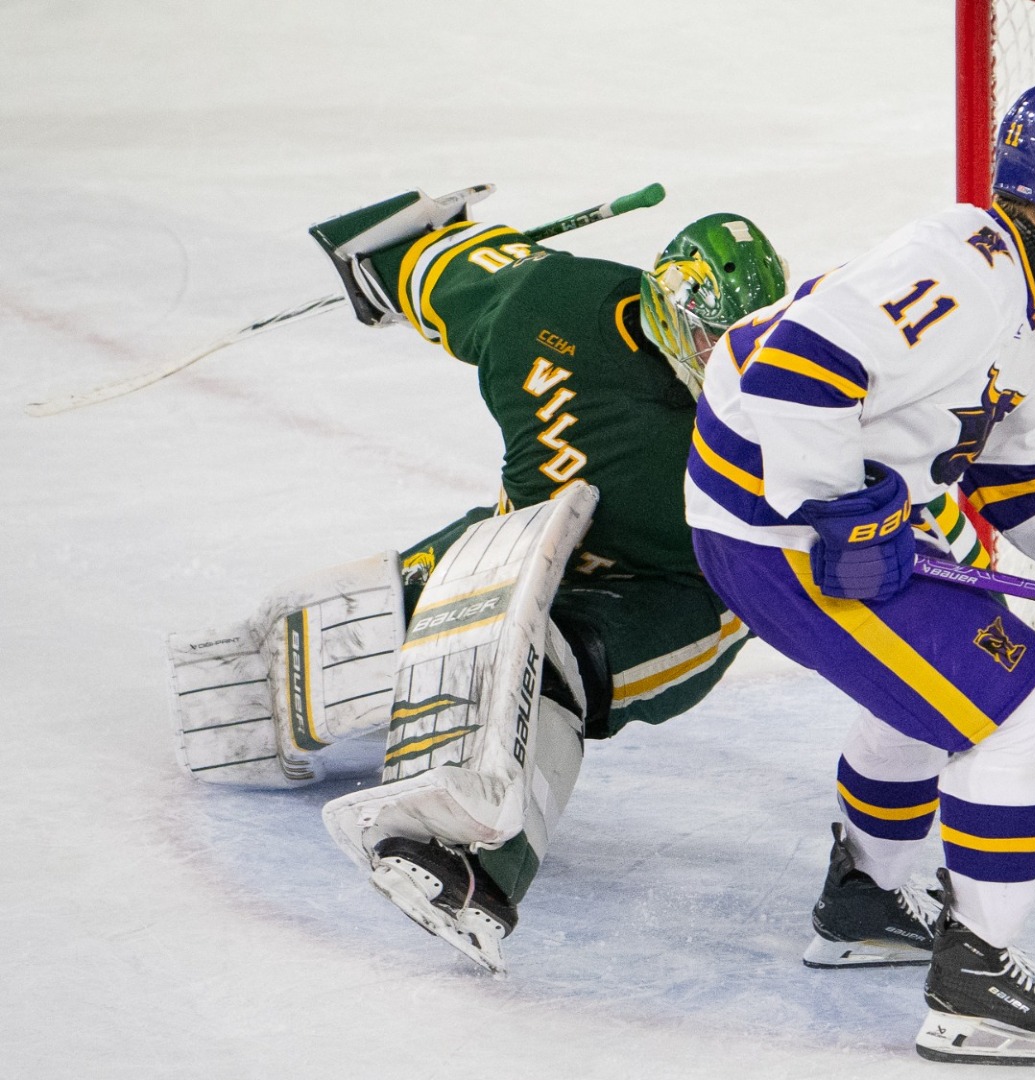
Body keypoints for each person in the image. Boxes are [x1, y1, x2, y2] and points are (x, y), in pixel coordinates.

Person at [684, 83, 1035, 1066]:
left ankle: (872, 896)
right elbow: (788, 371)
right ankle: (978, 981)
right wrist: (828, 503)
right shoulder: (962, 267)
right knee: (1012, 699)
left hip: (793, 527)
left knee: (928, 685)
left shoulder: (1034, 311)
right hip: (774, 536)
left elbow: (1032, 476)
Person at [167, 187, 791, 974]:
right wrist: (386, 255)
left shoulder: (791, 400)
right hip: (521, 545)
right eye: (708, 337)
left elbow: (897, 482)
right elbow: (449, 264)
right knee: (369, 637)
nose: (726, 360)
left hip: (684, 597)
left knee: (553, 670)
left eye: (747, 339)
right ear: (663, 308)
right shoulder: (549, 303)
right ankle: (350, 681)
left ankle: (475, 868)